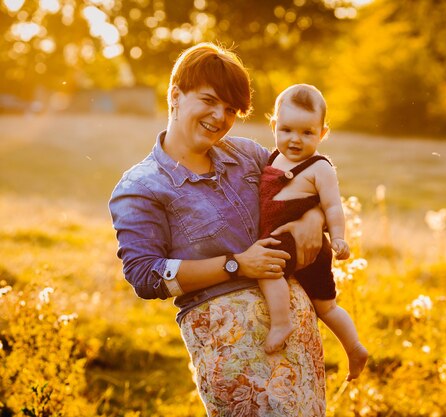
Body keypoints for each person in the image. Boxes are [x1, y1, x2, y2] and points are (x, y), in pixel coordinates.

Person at [109, 43, 327, 416]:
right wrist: (238, 265)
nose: (219, 117)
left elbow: (308, 180)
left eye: (230, 109)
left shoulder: (248, 155)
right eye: (209, 101)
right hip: (231, 352)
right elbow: (146, 277)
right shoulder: (140, 187)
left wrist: (313, 219)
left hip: (299, 342)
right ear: (176, 95)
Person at [258, 84, 368, 381]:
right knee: (326, 307)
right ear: (274, 126)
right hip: (286, 237)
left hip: (301, 242)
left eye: (307, 133)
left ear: (322, 134)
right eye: (287, 130)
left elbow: (333, 206)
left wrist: (340, 238)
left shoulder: (321, 168)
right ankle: (355, 349)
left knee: (268, 268)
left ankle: (281, 323)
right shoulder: (271, 159)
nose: (295, 139)